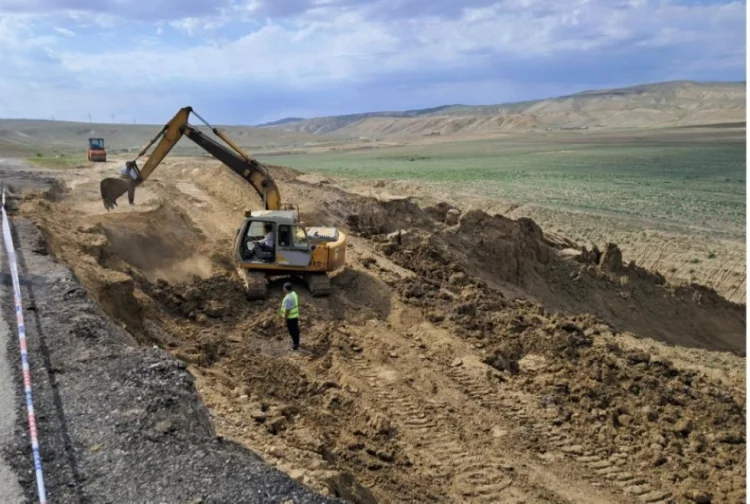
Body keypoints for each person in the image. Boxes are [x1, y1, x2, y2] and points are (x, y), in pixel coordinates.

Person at [280, 282, 300, 351]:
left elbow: (287, 309)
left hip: (290, 317)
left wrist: (285, 318)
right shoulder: (294, 294)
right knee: (296, 330)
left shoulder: (288, 298)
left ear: (285, 289)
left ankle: (295, 344)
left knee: (292, 331)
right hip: (295, 316)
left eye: (283, 288)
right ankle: (297, 342)